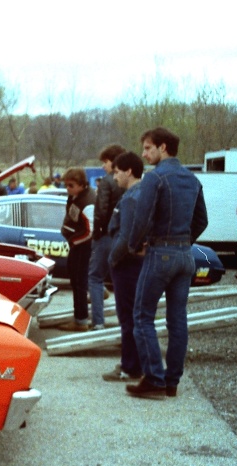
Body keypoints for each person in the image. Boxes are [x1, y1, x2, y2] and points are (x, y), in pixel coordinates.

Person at [127, 127, 208, 399]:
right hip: (185, 256)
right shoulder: (193, 180)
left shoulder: (155, 178)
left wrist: (133, 245)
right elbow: (202, 221)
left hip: (160, 253)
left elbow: (142, 218)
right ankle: (171, 382)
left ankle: (154, 379)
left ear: (163, 148)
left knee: (142, 315)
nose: (144, 153)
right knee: (177, 320)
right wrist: (183, 242)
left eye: (148, 148)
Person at [102, 151, 145, 382]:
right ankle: (134, 363)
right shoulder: (142, 193)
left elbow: (126, 236)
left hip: (127, 266)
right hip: (136, 263)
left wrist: (112, 259)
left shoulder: (130, 198)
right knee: (135, 316)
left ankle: (130, 367)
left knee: (127, 317)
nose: (114, 177)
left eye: (117, 172)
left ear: (129, 171)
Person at [89, 144, 126, 330]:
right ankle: (123, 322)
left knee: (95, 277)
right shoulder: (129, 182)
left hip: (105, 236)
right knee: (119, 280)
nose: (103, 166)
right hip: (123, 236)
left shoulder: (106, 182)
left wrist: (96, 234)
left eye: (105, 162)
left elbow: (101, 212)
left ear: (114, 161)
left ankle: (98, 322)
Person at [58, 168, 96, 332]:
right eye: (66, 185)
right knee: (75, 280)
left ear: (81, 185)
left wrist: (74, 242)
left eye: (71, 185)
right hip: (78, 244)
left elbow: (90, 231)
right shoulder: (77, 196)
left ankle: (81, 321)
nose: (68, 189)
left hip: (82, 246)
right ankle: (80, 317)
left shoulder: (87, 202)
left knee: (79, 282)